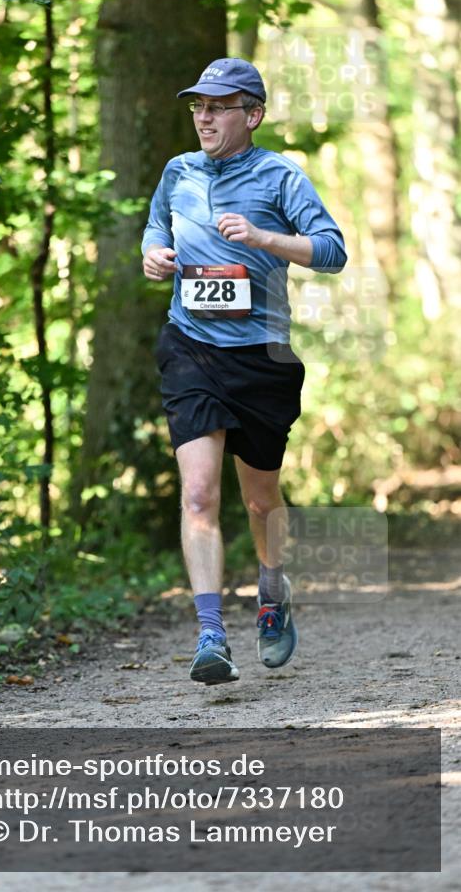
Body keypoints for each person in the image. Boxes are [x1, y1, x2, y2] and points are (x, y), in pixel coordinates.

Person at [142, 57, 347, 685]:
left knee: (260, 502)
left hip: (261, 356)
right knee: (200, 493)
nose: (203, 117)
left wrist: (263, 239)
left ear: (251, 115)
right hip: (191, 348)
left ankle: (271, 587)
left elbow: (332, 251)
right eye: (197, 107)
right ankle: (210, 635)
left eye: (218, 107)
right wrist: (154, 255)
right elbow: (155, 229)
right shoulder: (178, 171)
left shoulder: (282, 177)